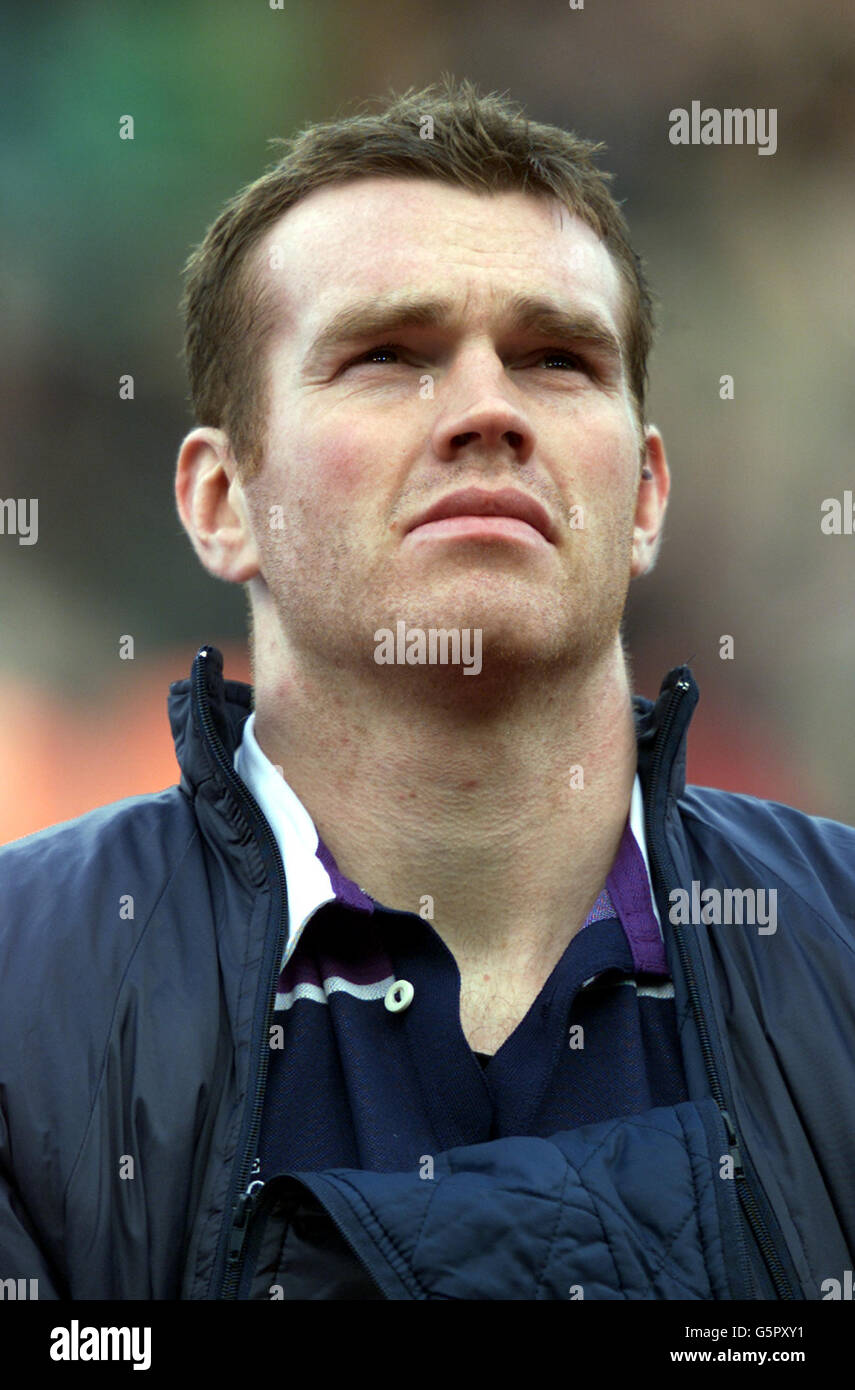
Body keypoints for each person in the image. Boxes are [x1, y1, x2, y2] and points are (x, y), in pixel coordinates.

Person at [1, 77, 853, 1302]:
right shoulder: (20, 996)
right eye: (390, 356)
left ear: (648, 496)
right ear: (220, 500)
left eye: (557, 359)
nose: (488, 410)